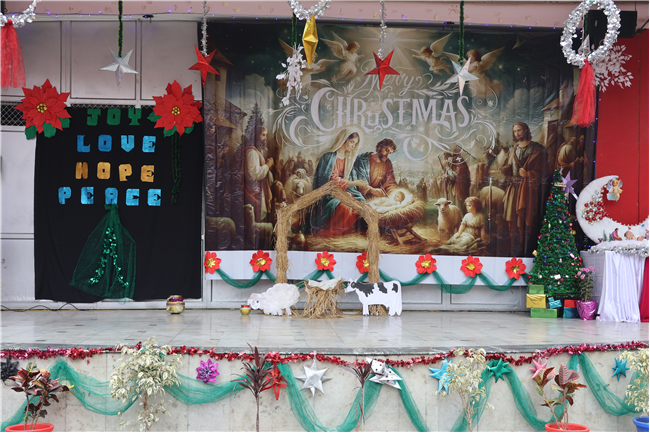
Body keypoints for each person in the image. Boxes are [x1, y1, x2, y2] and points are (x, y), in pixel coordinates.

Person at [501, 122, 548, 256]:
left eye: (519, 130)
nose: (517, 133)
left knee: (525, 223)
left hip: (528, 191)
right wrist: (504, 170)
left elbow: (545, 173)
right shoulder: (513, 149)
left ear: (525, 130)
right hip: (513, 190)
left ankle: (525, 251)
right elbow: (510, 168)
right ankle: (513, 251)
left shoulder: (537, 149)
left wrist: (529, 174)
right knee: (511, 222)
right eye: (515, 131)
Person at [309, 129, 368, 236]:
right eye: (351, 142)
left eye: (355, 144)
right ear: (344, 139)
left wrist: (351, 189)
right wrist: (352, 183)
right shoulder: (328, 157)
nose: (353, 146)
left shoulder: (349, 160)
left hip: (345, 191)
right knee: (345, 207)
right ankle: (334, 231)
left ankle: (350, 230)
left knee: (361, 204)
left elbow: (351, 179)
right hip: (329, 194)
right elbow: (330, 181)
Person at [244, 125, 274, 223]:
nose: (265, 138)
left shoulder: (255, 151)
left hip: (255, 191)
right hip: (252, 193)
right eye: (263, 135)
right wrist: (268, 165)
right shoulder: (252, 153)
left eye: (266, 135)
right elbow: (255, 174)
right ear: (256, 136)